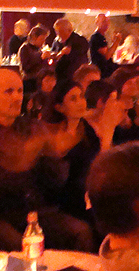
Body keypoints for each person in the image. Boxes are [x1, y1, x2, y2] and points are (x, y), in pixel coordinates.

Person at [0, 69, 94, 252]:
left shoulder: (32, 128)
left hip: (34, 211)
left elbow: (54, 183)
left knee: (80, 231)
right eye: (9, 91)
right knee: (21, 246)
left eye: (20, 91)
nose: (17, 97)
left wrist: (54, 156)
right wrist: (15, 167)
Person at [41, 81, 101, 221]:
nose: (81, 102)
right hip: (62, 197)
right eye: (73, 99)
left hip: (85, 191)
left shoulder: (88, 130)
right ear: (60, 107)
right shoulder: (51, 134)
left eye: (81, 96)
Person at [51, 18, 89, 83]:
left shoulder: (80, 40)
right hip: (59, 77)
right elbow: (54, 53)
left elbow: (80, 56)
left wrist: (68, 52)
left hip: (74, 77)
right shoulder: (56, 41)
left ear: (69, 30)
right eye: (57, 32)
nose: (58, 35)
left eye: (61, 32)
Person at [18, 24, 51, 94]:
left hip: (40, 83)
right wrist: (41, 58)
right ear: (34, 37)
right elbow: (25, 68)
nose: (43, 42)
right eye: (42, 38)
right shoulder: (25, 48)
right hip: (29, 83)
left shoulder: (39, 50)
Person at [89, 14, 121, 79]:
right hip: (102, 73)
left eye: (107, 21)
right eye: (103, 21)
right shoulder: (96, 37)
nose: (106, 24)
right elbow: (107, 56)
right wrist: (116, 42)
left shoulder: (102, 37)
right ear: (97, 23)